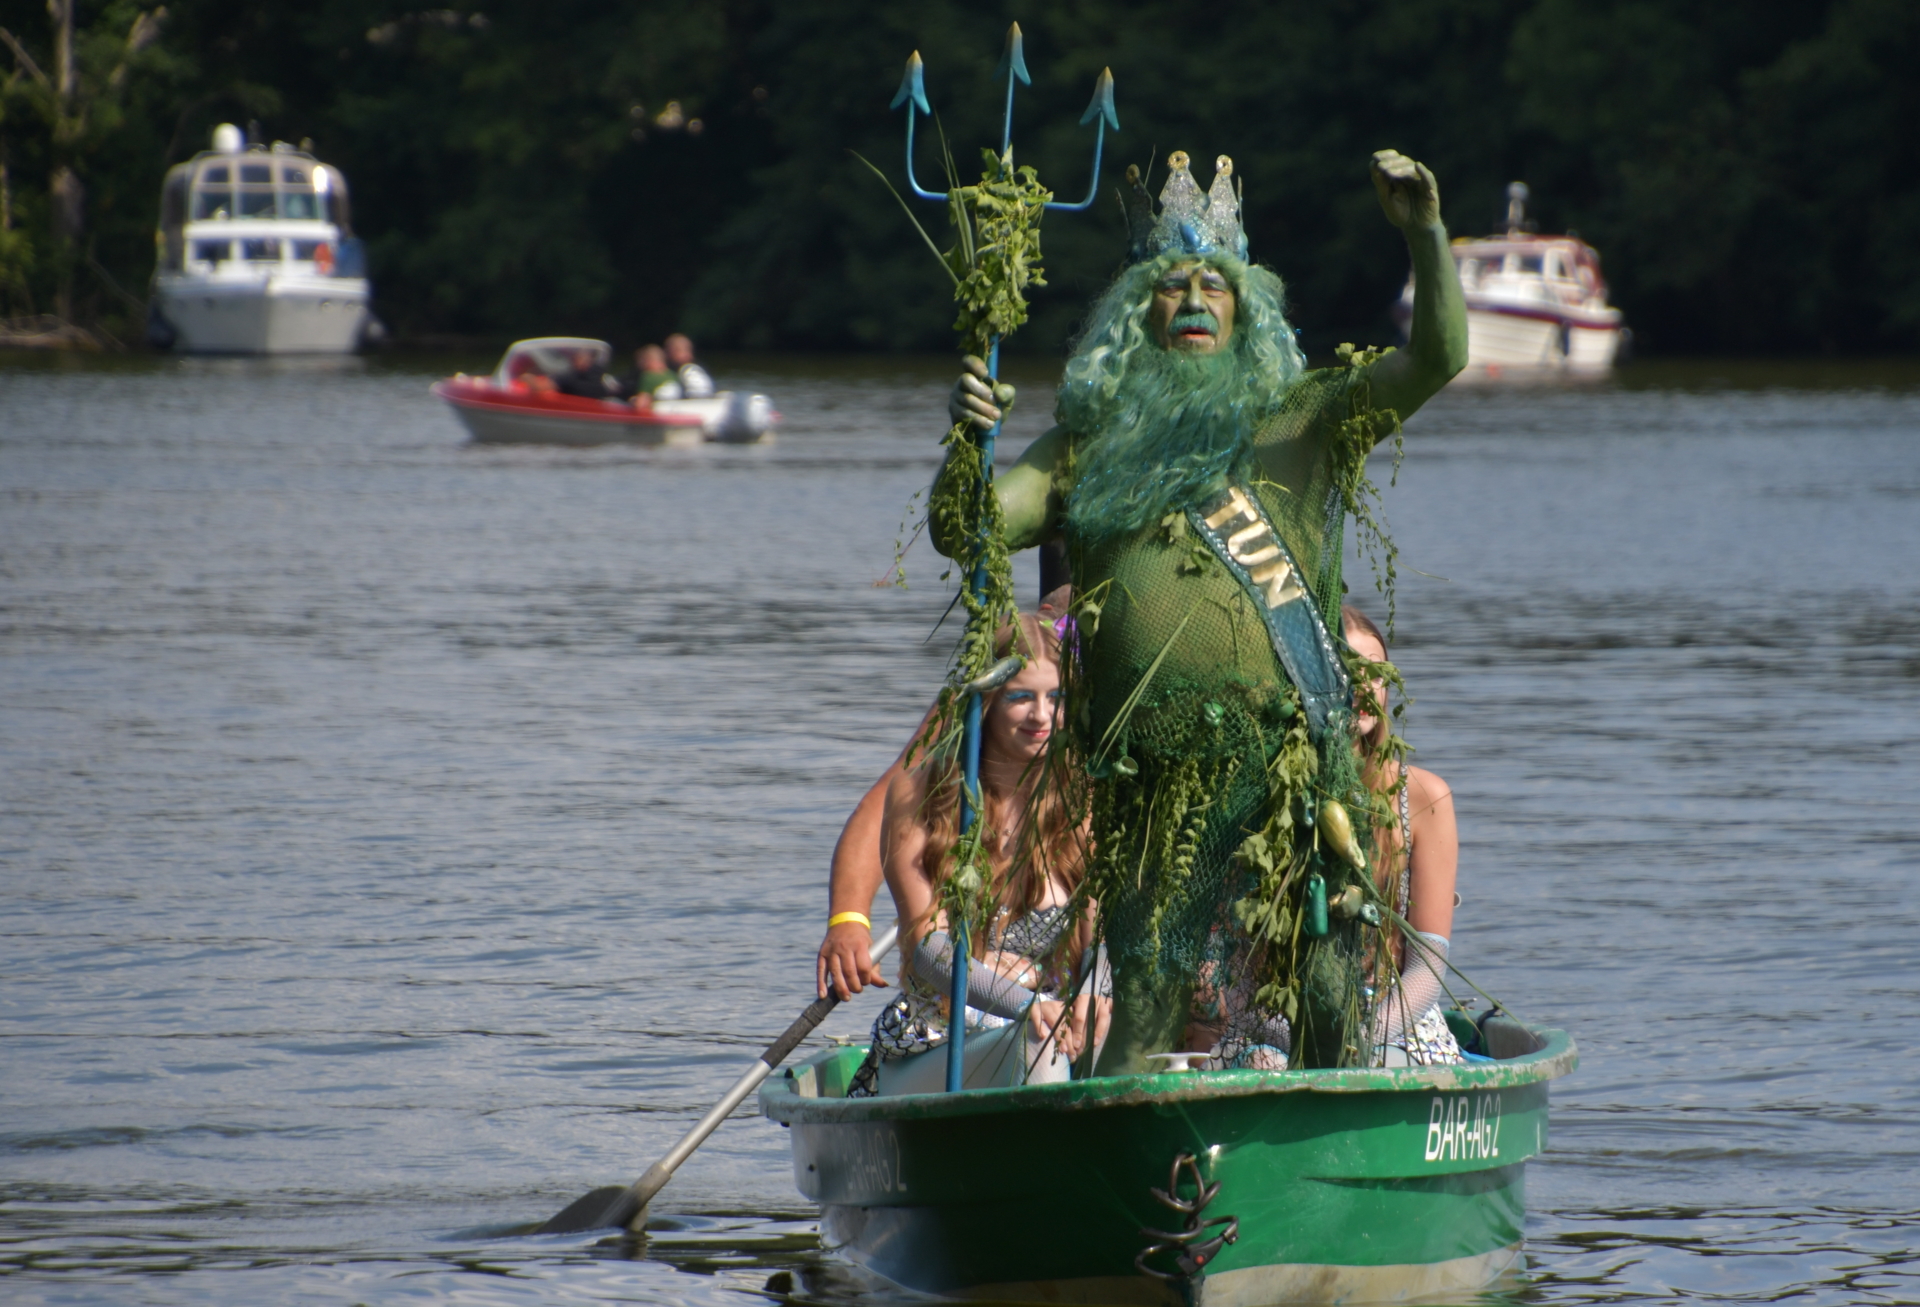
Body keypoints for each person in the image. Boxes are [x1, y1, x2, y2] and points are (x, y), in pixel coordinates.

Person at [932, 148, 1468, 1074]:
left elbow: (1438, 357)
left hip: (1294, 774)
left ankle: (1324, 1169)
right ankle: (1130, 1177)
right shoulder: (1084, 449)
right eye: (1169, 283)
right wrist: (965, 442)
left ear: (1247, 307)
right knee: (1143, 999)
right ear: (1133, 313)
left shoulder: (1308, 418)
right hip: (1150, 782)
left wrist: (1424, 233)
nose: (1191, 299)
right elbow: (967, 532)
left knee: (1324, 992)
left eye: (1214, 284)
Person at [844, 611, 1107, 1097]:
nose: (1042, 716)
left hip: (1051, 1028)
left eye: (1057, 698)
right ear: (985, 703)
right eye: (1021, 697)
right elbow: (929, 951)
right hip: (941, 1045)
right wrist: (1024, 1005)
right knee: (1041, 1039)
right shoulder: (921, 792)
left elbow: (1100, 930)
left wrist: (1095, 994)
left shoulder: (1082, 793)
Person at [1341, 605, 1463, 1066]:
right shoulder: (1274, 791)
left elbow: (1428, 967)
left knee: (1381, 1065)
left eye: (1376, 675)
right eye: (1347, 673)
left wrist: (1359, 1036)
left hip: (1395, 1015)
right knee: (1261, 1065)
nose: (1364, 690)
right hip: (1285, 1019)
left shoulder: (1425, 797)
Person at [664, 332, 715, 398]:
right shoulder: (662, 373)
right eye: (679, 350)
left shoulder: (698, 371)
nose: (686, 355)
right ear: (668, 353)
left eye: (687, 349)